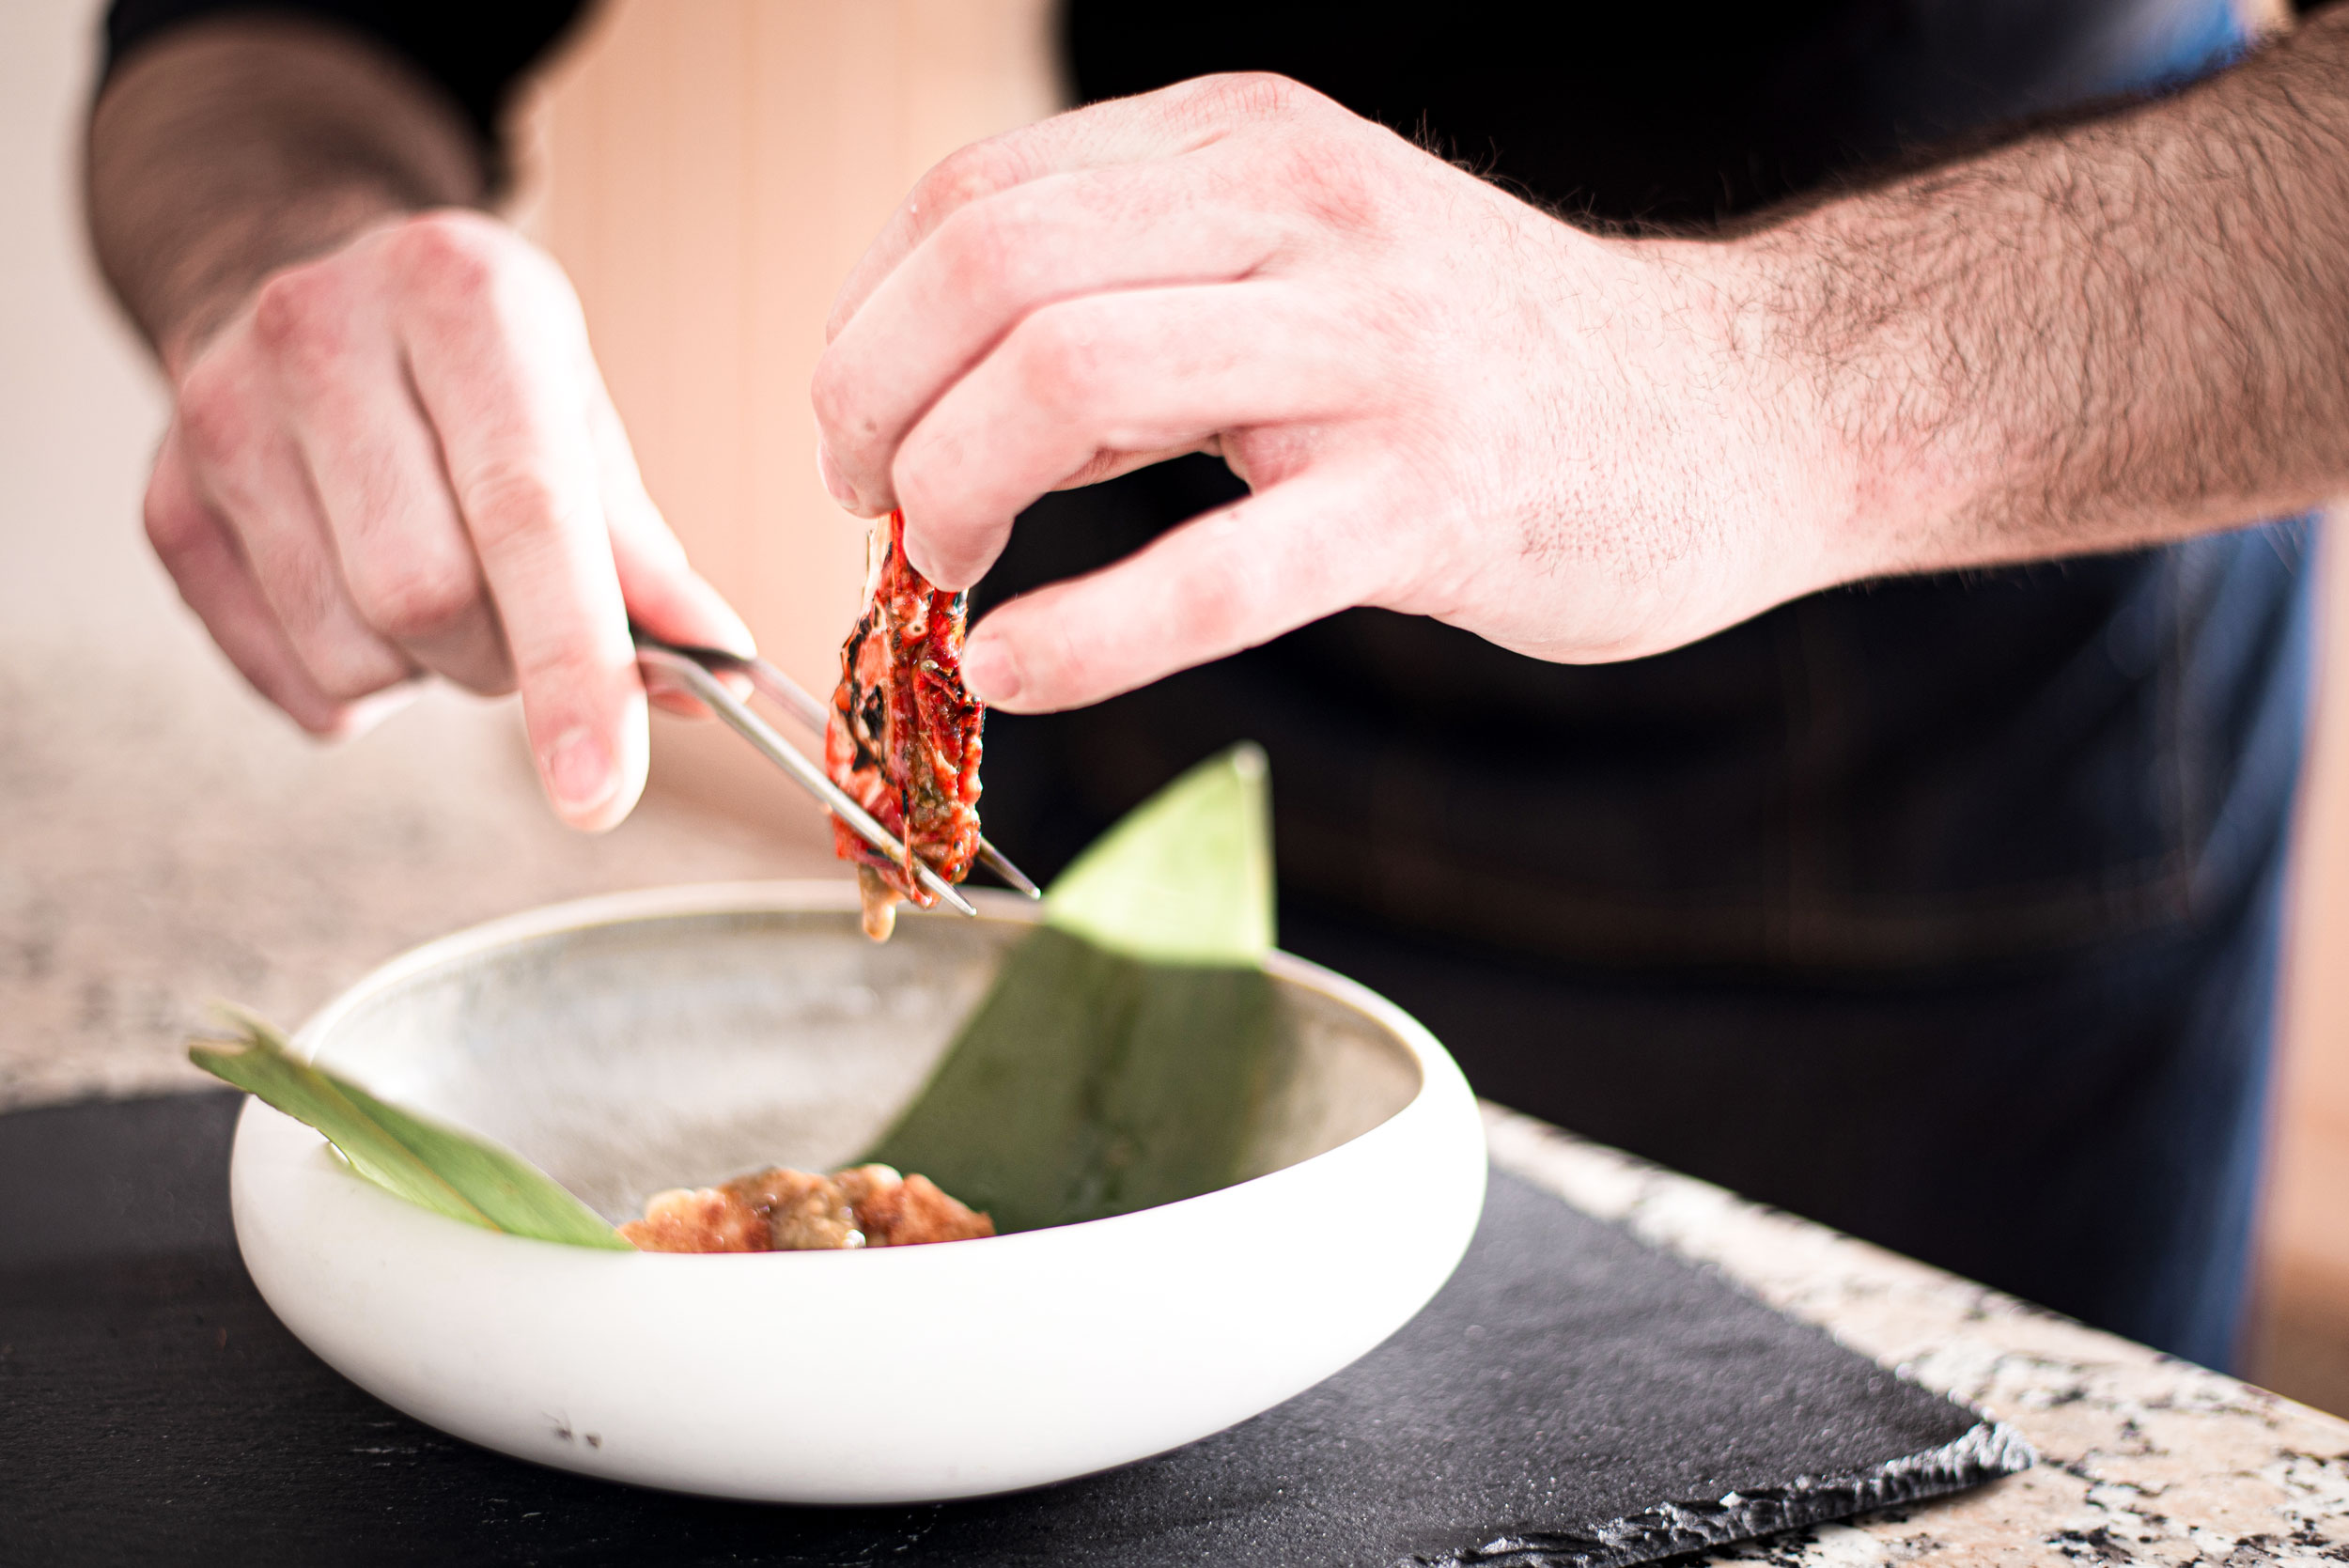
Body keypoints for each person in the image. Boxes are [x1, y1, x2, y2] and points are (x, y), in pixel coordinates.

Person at [86, 0, 2339, 1370]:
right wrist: (283, 264)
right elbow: (263, 28)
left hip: (1933, 820)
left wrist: (1754, 378)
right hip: (1132, 701)